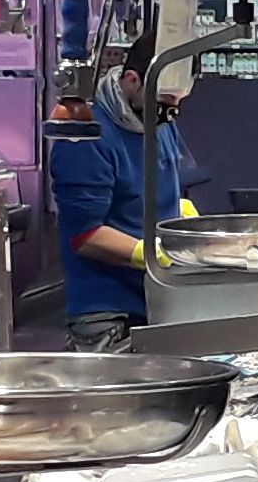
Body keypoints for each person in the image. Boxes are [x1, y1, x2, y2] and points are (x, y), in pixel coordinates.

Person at [48, 51, 205, 352]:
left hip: (157, 302)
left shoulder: (156, 120)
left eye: (179, 101)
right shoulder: (87, 137)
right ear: (131, 81)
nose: (172, 110)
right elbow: (85, 236)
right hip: (109, 316)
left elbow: (166, 183)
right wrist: (152, 255)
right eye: (167, 99)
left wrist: (186, 226)